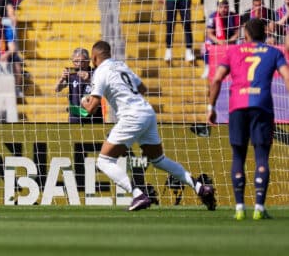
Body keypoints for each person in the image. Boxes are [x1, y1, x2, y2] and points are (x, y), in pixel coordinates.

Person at [81, 40, 216, 211]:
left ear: (94, 58)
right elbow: (142, 88)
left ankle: (138, 195)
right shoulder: (121, 66)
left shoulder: (100, 72)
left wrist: (83, 102)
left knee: (104, 161)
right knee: (159, 160)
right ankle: (200, 187)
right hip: (147, 112)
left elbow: (91, 108)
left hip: (131, 116)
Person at [207, 19, 289, 220]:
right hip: (262, 107)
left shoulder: (233, 51)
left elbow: (217, 79)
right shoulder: (274, 52)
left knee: (238, 156)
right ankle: (259, 208)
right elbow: (287, 76)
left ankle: (239, 208)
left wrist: (211, 107)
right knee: (261, 156)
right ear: (265, 34)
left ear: (246, 35)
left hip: (237, 106)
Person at [55, 48, 102, 124]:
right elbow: (57, 89)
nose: (79, 64)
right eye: (76, 61)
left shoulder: (96, 73)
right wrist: (61, 79)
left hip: (93, 116)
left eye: (82, 61)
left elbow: (102, 87)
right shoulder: (71, 73)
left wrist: (89, 79)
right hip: (75, 117)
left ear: (88, 61)